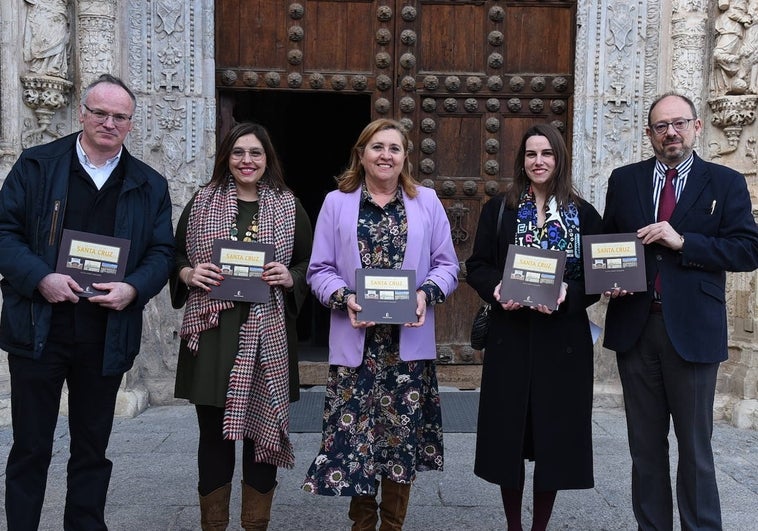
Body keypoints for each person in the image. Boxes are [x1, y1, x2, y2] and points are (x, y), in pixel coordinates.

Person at [0, 73, 174, 530]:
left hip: (105, 337)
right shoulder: (37, 165)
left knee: (92, 451)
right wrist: (40, 278)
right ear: (81, 113)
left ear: (131, 124)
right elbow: (4, 232)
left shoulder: (149, 184)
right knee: (30, 449)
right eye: (100, 112)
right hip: (39, 330)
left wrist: (134, 288)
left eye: (120, 116)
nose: (109, 123)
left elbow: (161, 252)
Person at [602, 92, 758, 530]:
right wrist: (608, 279)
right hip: (637, 328)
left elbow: (747, 249)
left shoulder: (723, 182)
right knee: (645, 449)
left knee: (695, 448)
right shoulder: (624, 179)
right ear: (649, 133)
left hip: (692, 332)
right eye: (660, 126)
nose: (670, 132)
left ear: (697, 127)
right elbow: (611, 243)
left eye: (679, 123)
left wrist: (684, 241)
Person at [301, 118, 459, 530]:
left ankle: (392, 525)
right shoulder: (337, 202)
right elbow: (319, 269)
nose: (385, 155)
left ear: (405, 156)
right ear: (361, 153)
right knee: (355, 445)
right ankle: (362, 525)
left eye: (394, 148)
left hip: (407, 350)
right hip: (357, 350)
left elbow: (447, 265)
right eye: (377, 147)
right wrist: (346, 298)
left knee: (399, 446)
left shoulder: (426, 201)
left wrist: (425, 294)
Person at [171, 121, 312, 530]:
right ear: (225, 158)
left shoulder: (289, 206)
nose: (246, 161)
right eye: (238, 153)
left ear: (268, 159)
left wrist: (290, 278)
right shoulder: (201, 202)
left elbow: (309, 264)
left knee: (259, 444)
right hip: (213, 335)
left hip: (267, 336)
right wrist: (187, 275)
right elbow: (175, 255)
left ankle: (255, 525)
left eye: (255, 153)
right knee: (213, 438)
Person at [465, 123, 603, 531]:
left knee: (553, 440)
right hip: (511, 337)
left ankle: (539, 527)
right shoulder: (499, 209)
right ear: (521, 161)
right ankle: (513, 525)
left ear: (559, 159)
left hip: (563, 343)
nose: (538, 161)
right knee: (510, 438)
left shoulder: (583, 213)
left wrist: (568, 294)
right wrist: (497, 289)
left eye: (546, 154)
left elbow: (594, 280)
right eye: (530, 154)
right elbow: (477, 267)